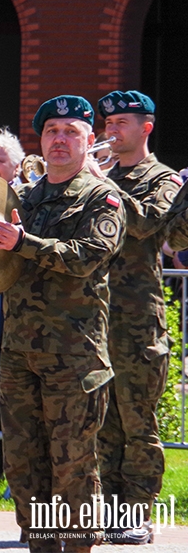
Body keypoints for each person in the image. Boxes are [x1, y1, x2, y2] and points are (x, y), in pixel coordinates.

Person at [0, 95, 125, 553]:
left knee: (73, 463)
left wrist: (24, 243)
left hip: (74, 353)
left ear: (88, 141)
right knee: (24, 464)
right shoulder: (20, 198)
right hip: (20, 351)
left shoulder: (102, 197)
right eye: (51, 132)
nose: (59, 140)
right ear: (40, 141)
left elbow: (87, 257)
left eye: (70, 132)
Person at [96, 90, 180, 545]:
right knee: (102, 419)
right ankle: (106, 507)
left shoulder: (160, 178)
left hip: (135, 317)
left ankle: (137, 512)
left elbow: (148, 224)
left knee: (136, 420)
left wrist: (100, 186)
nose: (111, 130)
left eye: (122, 122)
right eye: (108, 122)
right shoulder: (99, 174)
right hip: (92, 316)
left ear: (145, 128)